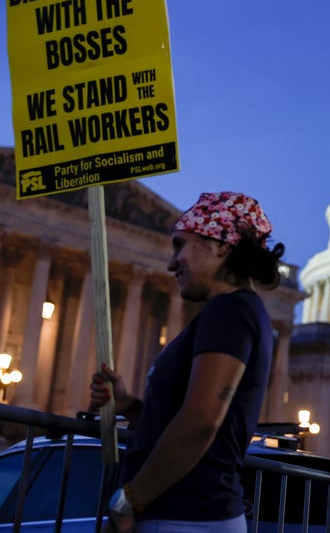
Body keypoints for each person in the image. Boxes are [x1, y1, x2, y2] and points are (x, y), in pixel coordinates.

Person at [90, 191, 284, 533]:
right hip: (189, 514)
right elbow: (191, 417)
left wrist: (129, 502)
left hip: (185, 515)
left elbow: (200, 421)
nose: (171, 262)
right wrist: (129, 405)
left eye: (180, 245)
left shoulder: (230, 311)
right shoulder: (232, 311)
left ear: (220, 245)